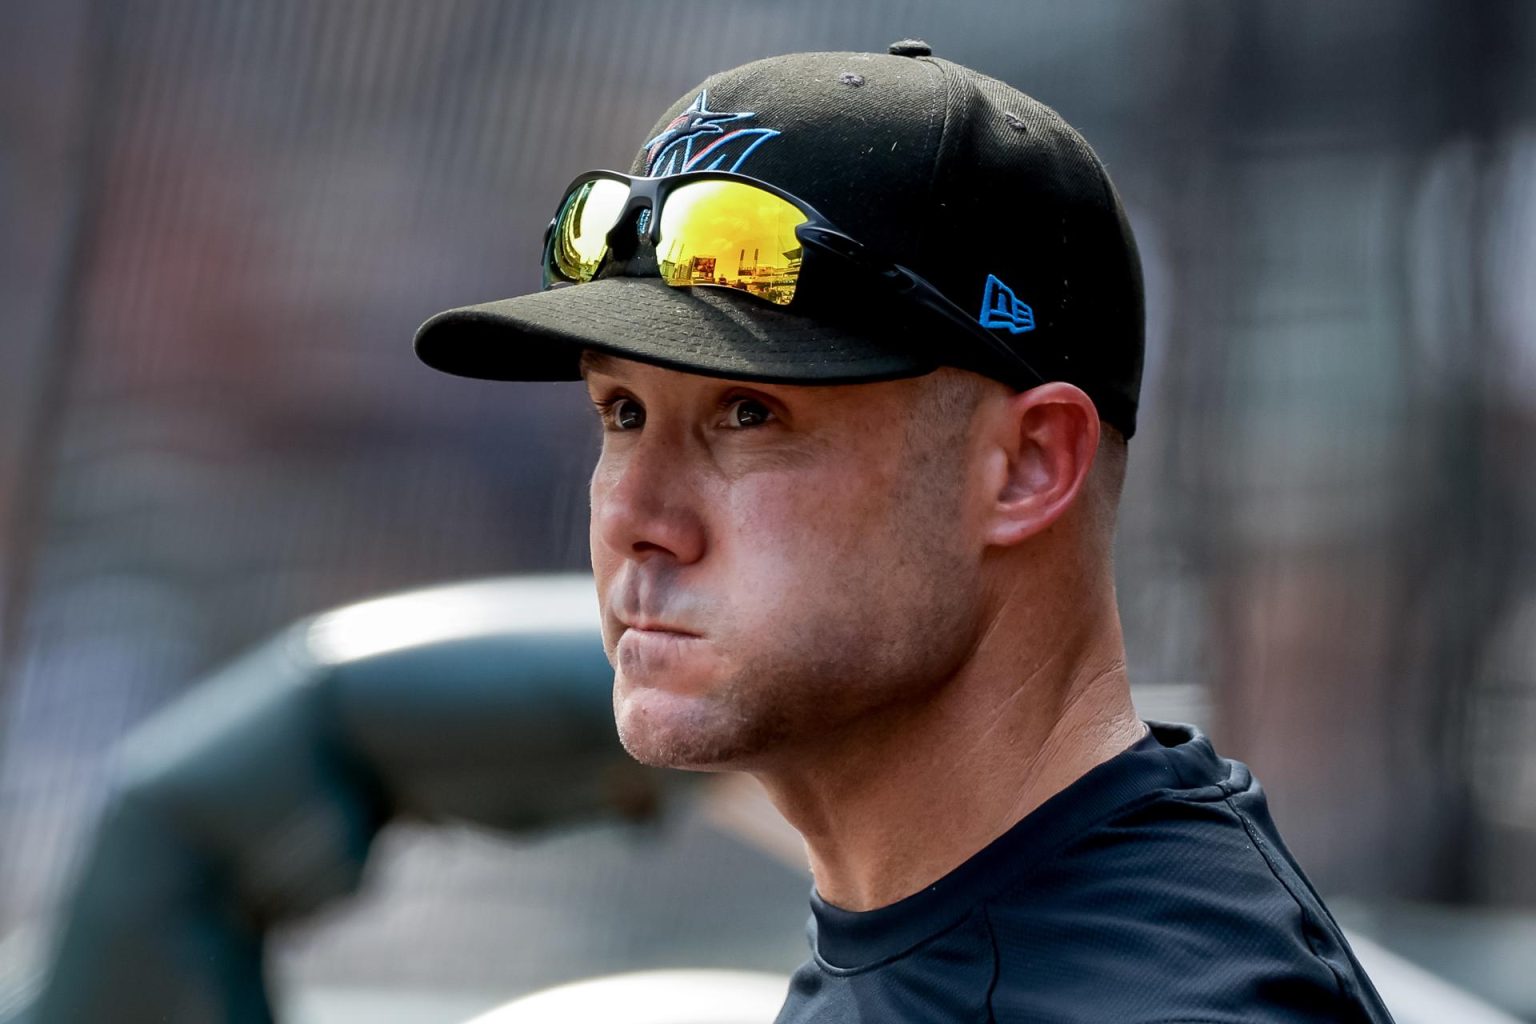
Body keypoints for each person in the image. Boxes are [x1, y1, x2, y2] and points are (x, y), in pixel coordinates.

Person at [414, 40, 1395, 1024]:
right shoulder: (936, 917)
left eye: (750, 414)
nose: (635, 519)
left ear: (1026, 466)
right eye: (622, 412)